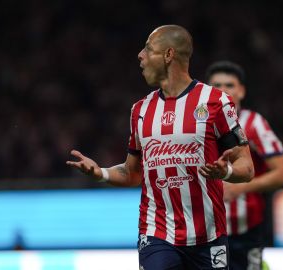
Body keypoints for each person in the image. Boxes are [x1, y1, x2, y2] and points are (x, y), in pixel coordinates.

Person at [66, 25, 255, 270]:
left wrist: (226, 172)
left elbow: (247, 167)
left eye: (148, 48)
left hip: (208, 236)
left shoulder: (215, 102)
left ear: (168, 55)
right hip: (157, 234)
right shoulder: (140, 111)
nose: (140, 55)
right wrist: (99, 172)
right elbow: (132, 173)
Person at [206, 61, 283, 270]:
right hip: (204, 232)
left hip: (246, 232)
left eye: (230, 85)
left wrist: (241, 187)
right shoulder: (195, 125)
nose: (223, 91)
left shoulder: (254, 123)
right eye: (217, 85)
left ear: (242, 91)